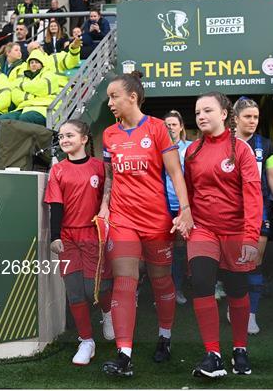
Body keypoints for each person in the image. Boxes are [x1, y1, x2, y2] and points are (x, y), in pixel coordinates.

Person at [98, 71, 193, 377]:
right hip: (123, 218)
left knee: (161, 280)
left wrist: (186, 210)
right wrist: (104, 208)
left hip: (156, 219)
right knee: (125, 281)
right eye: (109, 97)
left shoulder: (157, 129)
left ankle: (165, 337)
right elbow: (110, 177)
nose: (109, 102)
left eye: (114, 96)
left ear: (132, 97)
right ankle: (124, 354)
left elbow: (175, 173)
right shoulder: (109, 134)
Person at [184, 92, 262, 378]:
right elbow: (189, 194)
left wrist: (251, 237)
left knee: (237, 290)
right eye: (197, 112)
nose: (201, 116)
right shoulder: (191, 151)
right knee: (202, 283)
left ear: (224, 114)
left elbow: (253, 195)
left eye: (207, 110)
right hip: (203, 230)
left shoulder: (241, 150)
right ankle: (213, 354)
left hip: (236, 231)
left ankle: (239, 349)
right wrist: (185, 217)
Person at [44, 119, 114, 365]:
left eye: (70, 135)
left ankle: (108, 311)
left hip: (93, 235)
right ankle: (86, 341)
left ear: (84, 139)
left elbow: (108, 201)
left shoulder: (98, 168)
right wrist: (55, 237)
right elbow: (55, 205)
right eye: (61, 136)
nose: (64, 140)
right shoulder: (58, 170)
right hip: (68, 237)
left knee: (95, 288)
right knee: (75, 292)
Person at [233, 97, 273, 335]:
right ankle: (235, 306)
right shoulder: (223, 143)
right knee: (233, 263)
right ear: (235, 119)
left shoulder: (266, 145)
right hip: (231, 209)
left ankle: (250, 314)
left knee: (254, 261)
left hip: (259, 207)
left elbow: (272, 175)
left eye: (255, 117)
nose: (253, 121)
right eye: (248, 116)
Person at [163, 110, 192, 306]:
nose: (170, 127)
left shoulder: (190, 148)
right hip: (162, 206)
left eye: (173, 124)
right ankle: (164, 291)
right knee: (164, 250)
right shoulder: (158, 148)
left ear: (181, 127)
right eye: (167, 124)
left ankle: (178, 288)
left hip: (184, 206)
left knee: (181, 249)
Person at [2, 49, 59, 126]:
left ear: (42, 64)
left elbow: (41, 88)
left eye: (37, 62)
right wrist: (33, 95)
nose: (34, 64)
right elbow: (15, 94)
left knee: (26, 118)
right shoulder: (24, 76)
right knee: (4, 118)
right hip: (24, 107)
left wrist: (22, 85)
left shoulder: (49, 74)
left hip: (43, 108)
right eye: (31, 62)